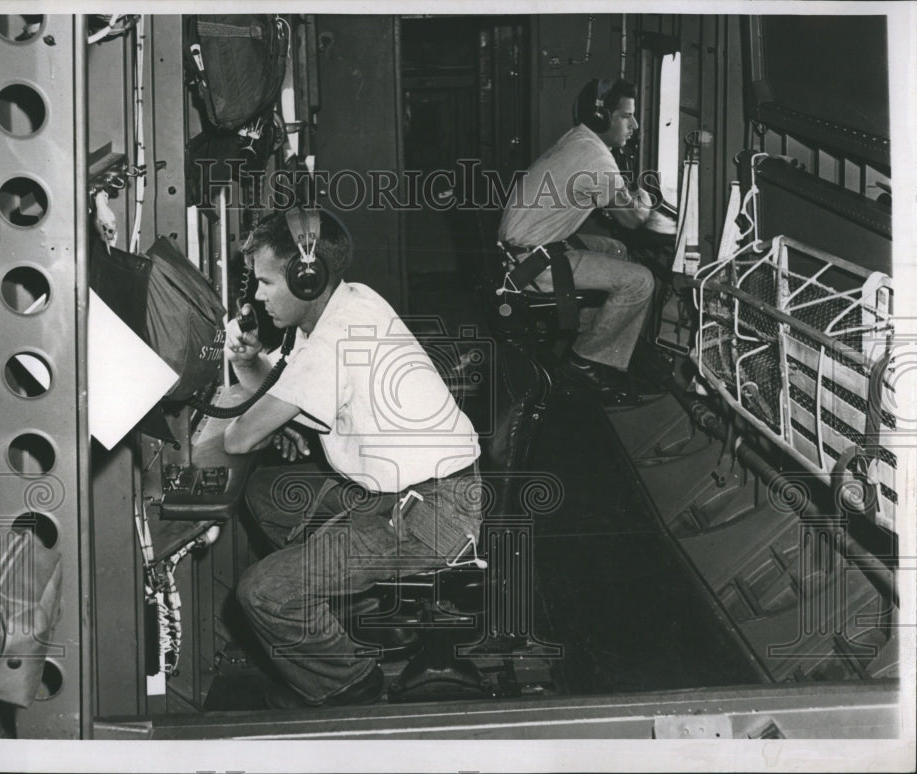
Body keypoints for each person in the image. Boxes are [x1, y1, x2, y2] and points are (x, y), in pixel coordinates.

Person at [223, 209, 482, 709]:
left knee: (262, 592)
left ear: (306, 278)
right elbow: (278, 396)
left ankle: (347, 684)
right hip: (415, 494)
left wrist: (268, 411)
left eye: (266, 282)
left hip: (430, 518)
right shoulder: (348, 301)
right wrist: (252, 365)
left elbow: (239, 439)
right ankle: (353, 606)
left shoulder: (334, 338)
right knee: (267, 493)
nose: (257, 296)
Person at [498, 78, 656, 403]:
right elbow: (633, 218)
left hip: (521, 251)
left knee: (616, 249)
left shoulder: (579, 139)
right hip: (532, 265)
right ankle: (584, 362)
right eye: (626, 116)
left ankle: (596, 336)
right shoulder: (595, 158)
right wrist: (646, 200)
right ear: (602, 118)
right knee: (642, 281)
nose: (635, 126)